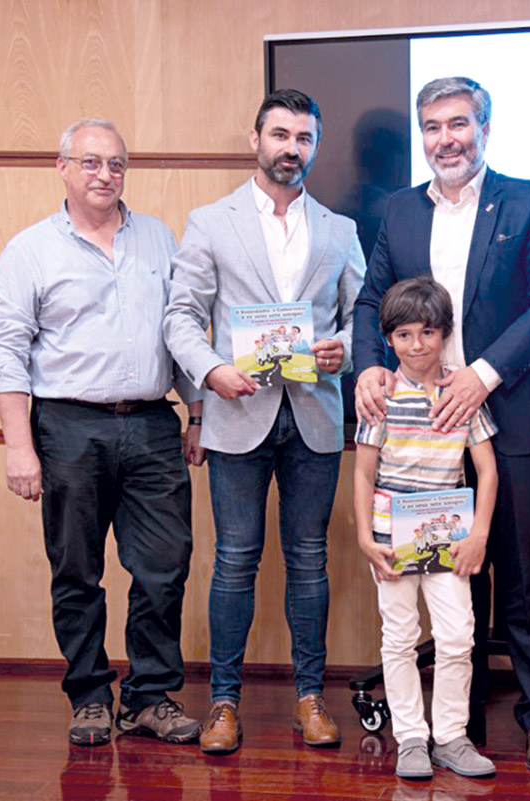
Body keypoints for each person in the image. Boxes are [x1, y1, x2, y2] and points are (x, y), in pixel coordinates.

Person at [352, 77, 530, 774]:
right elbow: (369, 301)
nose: (445, 139)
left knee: (519, 573)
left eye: (458, 123)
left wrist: (483, 372)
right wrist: (368, 366)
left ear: (484, 128)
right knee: (453, 577)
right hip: (418, 426)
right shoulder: (398, 210)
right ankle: (461, 725)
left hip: (508, 409)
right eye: (432, 126)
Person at [0, 118, 204, 748]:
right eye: (90, 162)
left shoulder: (159, 238)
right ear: (62, 168)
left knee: (164, 566)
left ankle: (149, 698)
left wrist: (196, 413)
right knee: (76, 570)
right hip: (68, 426)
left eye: (115, 164)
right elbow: (6, 351)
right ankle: (88, 697)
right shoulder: (29, 250)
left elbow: (181, 329)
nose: (105, 175)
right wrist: (19, 446)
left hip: (153, 423)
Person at [163, 89, 366, 755]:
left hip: (314, 416)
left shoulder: (339, 229)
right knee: (235, 560)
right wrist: (210, 371)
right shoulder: (209, 222)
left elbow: (361, 317)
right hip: (236, 413)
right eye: (280, 135)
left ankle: (310, 698)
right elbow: (181, 317)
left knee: (309, 559)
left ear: (315, 146)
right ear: (256, 140)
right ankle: (224, 702)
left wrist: (345, 350)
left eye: (304, 138)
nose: (291, 149)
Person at [354, 276, 499, 780]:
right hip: (391, 539)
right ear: (388, 339)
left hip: (450, 539)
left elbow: (487, 470)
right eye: (404, 335)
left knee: (458, 636)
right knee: (399, 636)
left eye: (428, 333)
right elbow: (363, 472)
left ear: (444, 334)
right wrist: (364, 537)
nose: (417, 345)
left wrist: (479, 535)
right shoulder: (380, 396)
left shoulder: (461, 392)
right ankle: (411, 738)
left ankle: (452, 737)